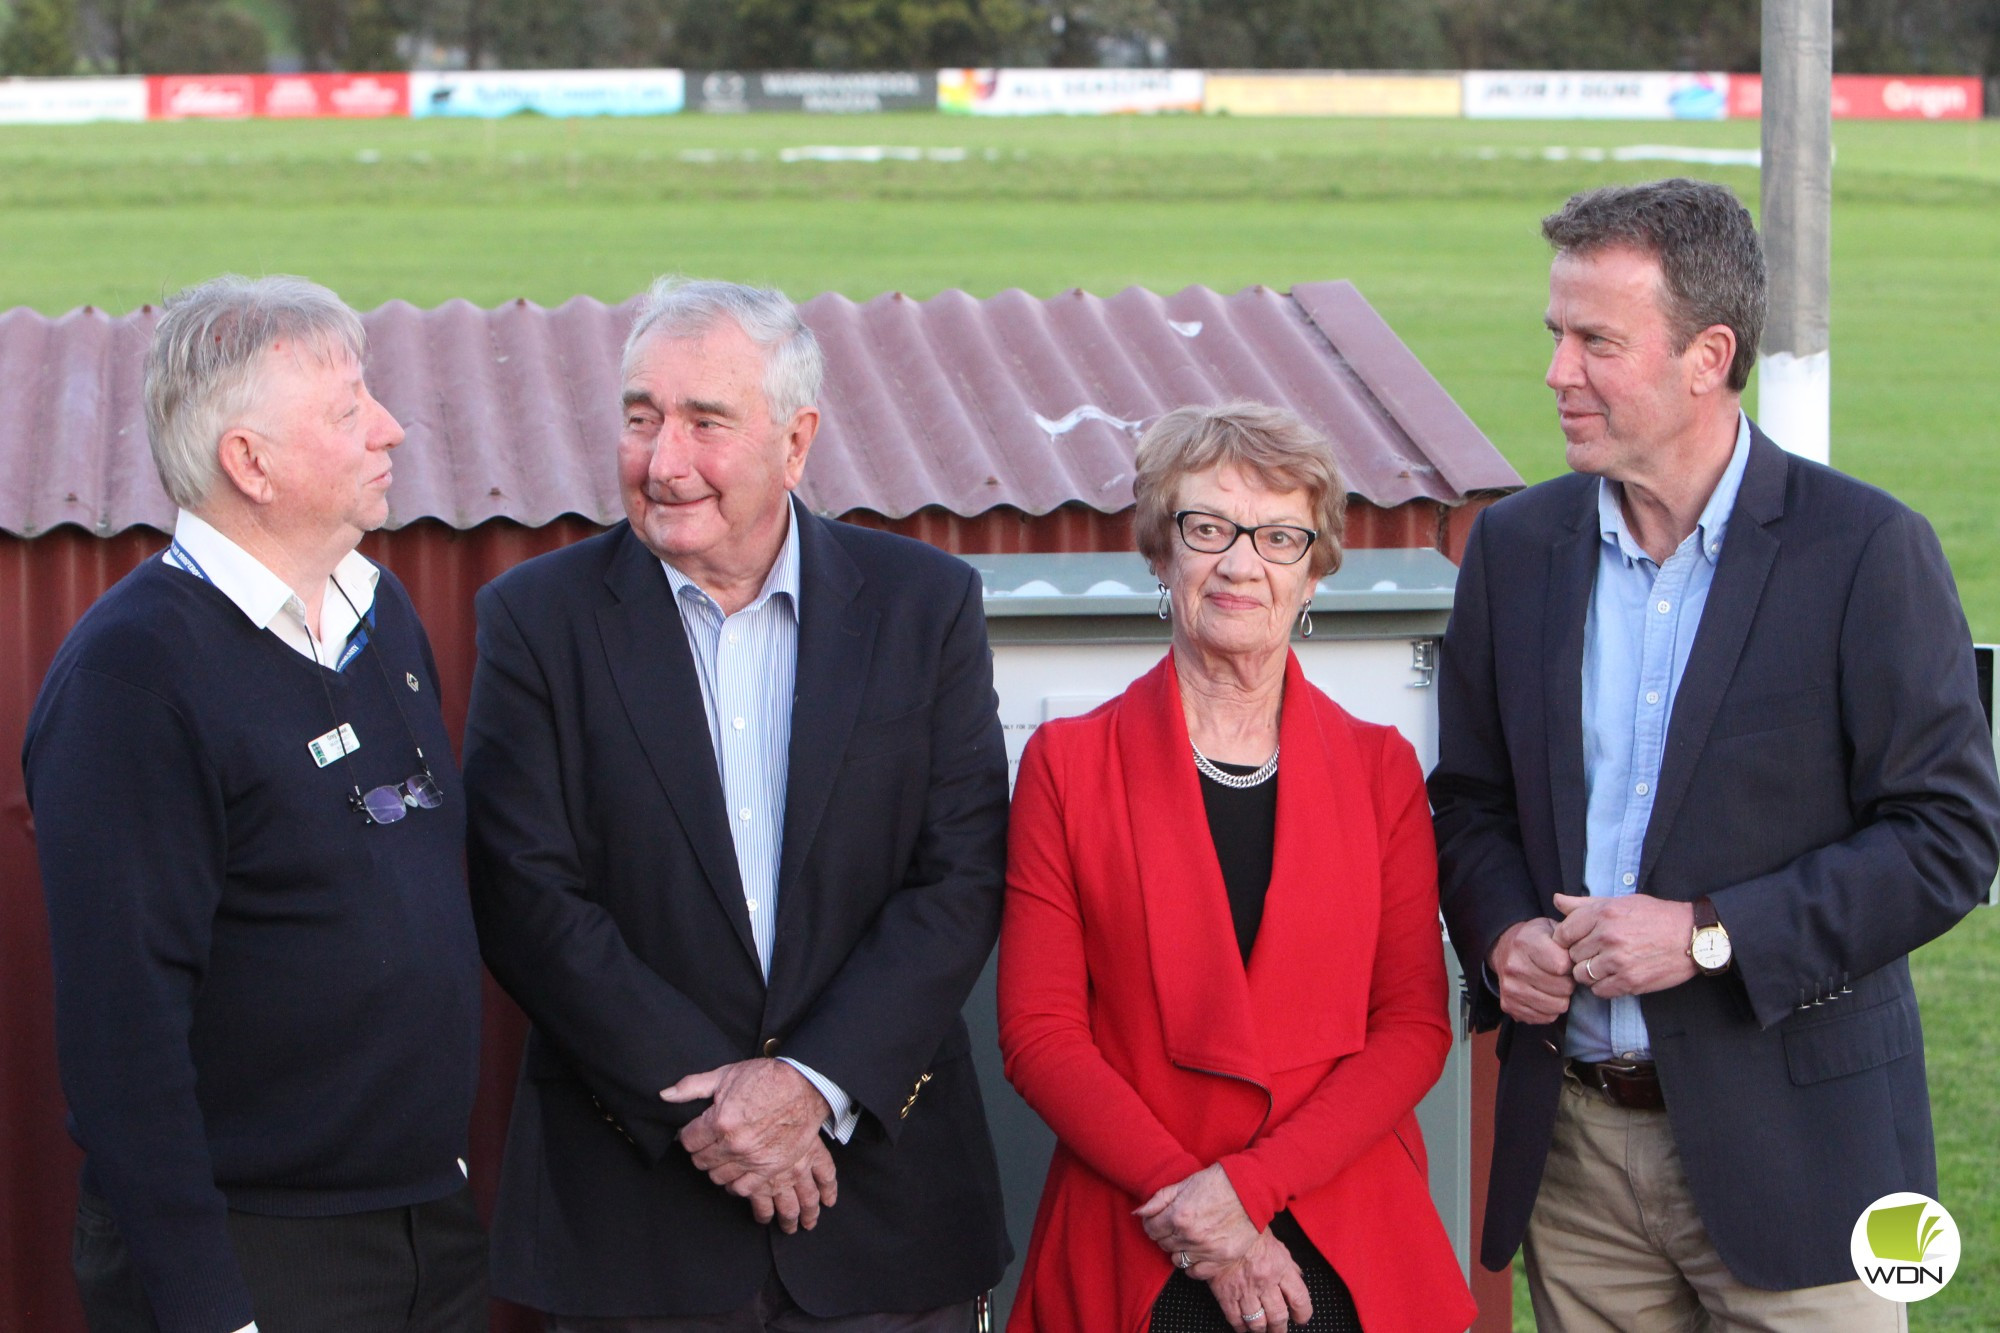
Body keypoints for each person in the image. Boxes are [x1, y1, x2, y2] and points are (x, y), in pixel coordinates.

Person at [1430, 178, 2000, 1330]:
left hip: (1801, 1159)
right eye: (1554, 336)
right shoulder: (1512, 547)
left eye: (1595, 341)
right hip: (1576, 1159)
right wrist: (1499, 933)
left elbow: (1946, 840)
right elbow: (1469, 801)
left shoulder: (1865, 549)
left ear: (1706, 356)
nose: (1556, 373)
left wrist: (1705, 934)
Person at [462, 277, 1011, 1329]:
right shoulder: (535, 622)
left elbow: (959, 874)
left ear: (795, 440)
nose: (663, 461)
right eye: (639, 419)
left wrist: (810, 1085)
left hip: (883, 1217)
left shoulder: (922, 607)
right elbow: (525, 895)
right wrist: (722, 1111)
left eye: (704, 422)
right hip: (634, 1220)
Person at [23, 275, 487, 1333]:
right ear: (250, 463)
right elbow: (121, 1033)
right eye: (347, 408)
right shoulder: (134, 677)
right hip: (255, 1250)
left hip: (424, 1221)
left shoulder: (382, 610)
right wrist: (209, 1307)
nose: (391, 428)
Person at [998, 402, 1476, 1333]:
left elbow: (1414, 1025)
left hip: (1344, 1232)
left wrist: (1250, 1190)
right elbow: (1039, 1033)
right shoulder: (1066, 764)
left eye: (1279, 537)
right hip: (1140, 1229)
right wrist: (1200, 1211)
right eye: (1208, 527)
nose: (1241, 562)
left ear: (1314, 571)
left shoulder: (1379, 770)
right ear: (1160, 553)